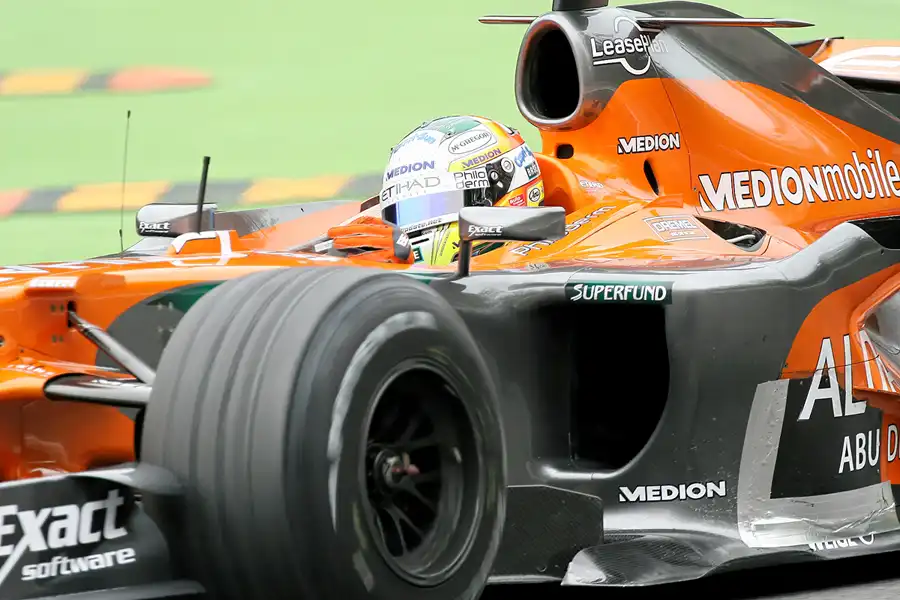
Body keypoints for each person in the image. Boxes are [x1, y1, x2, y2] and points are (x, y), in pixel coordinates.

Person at [326, 115, 545, 265]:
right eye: (406, 210)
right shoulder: (397, 253)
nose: (416, 224)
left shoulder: (555, 264)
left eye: (440, 203)